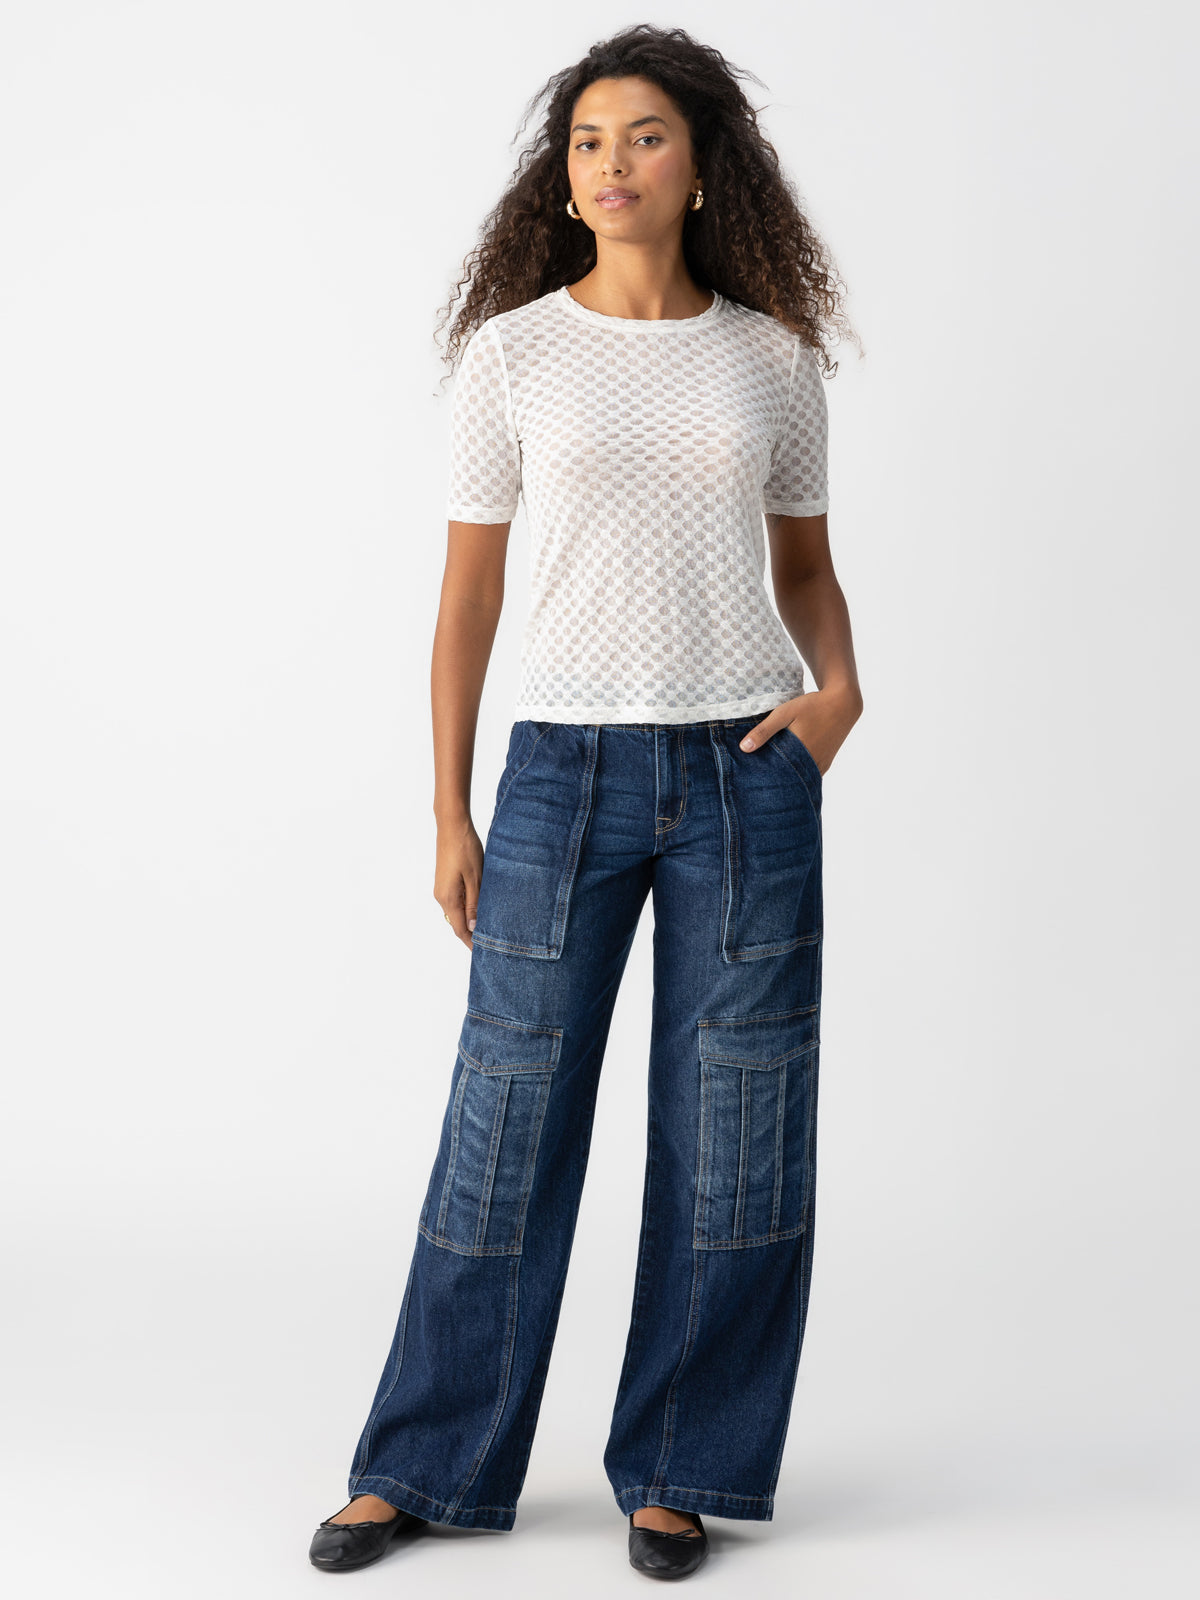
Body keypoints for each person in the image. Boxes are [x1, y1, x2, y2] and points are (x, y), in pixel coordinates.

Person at [308, 22, 863, 1582]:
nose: (610, 164)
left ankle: (681, 1465)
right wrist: (449, 807)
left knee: (734, 1127)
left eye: (643, 139)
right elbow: (464, 601)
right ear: (562, 179)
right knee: (506, 1120)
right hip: (562, 773)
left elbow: (807, 574)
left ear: (703, 169)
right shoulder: (514, 353)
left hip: (747, 774)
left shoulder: (772, 358)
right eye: (586, 143)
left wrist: (842, 691)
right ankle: (424, 1462)